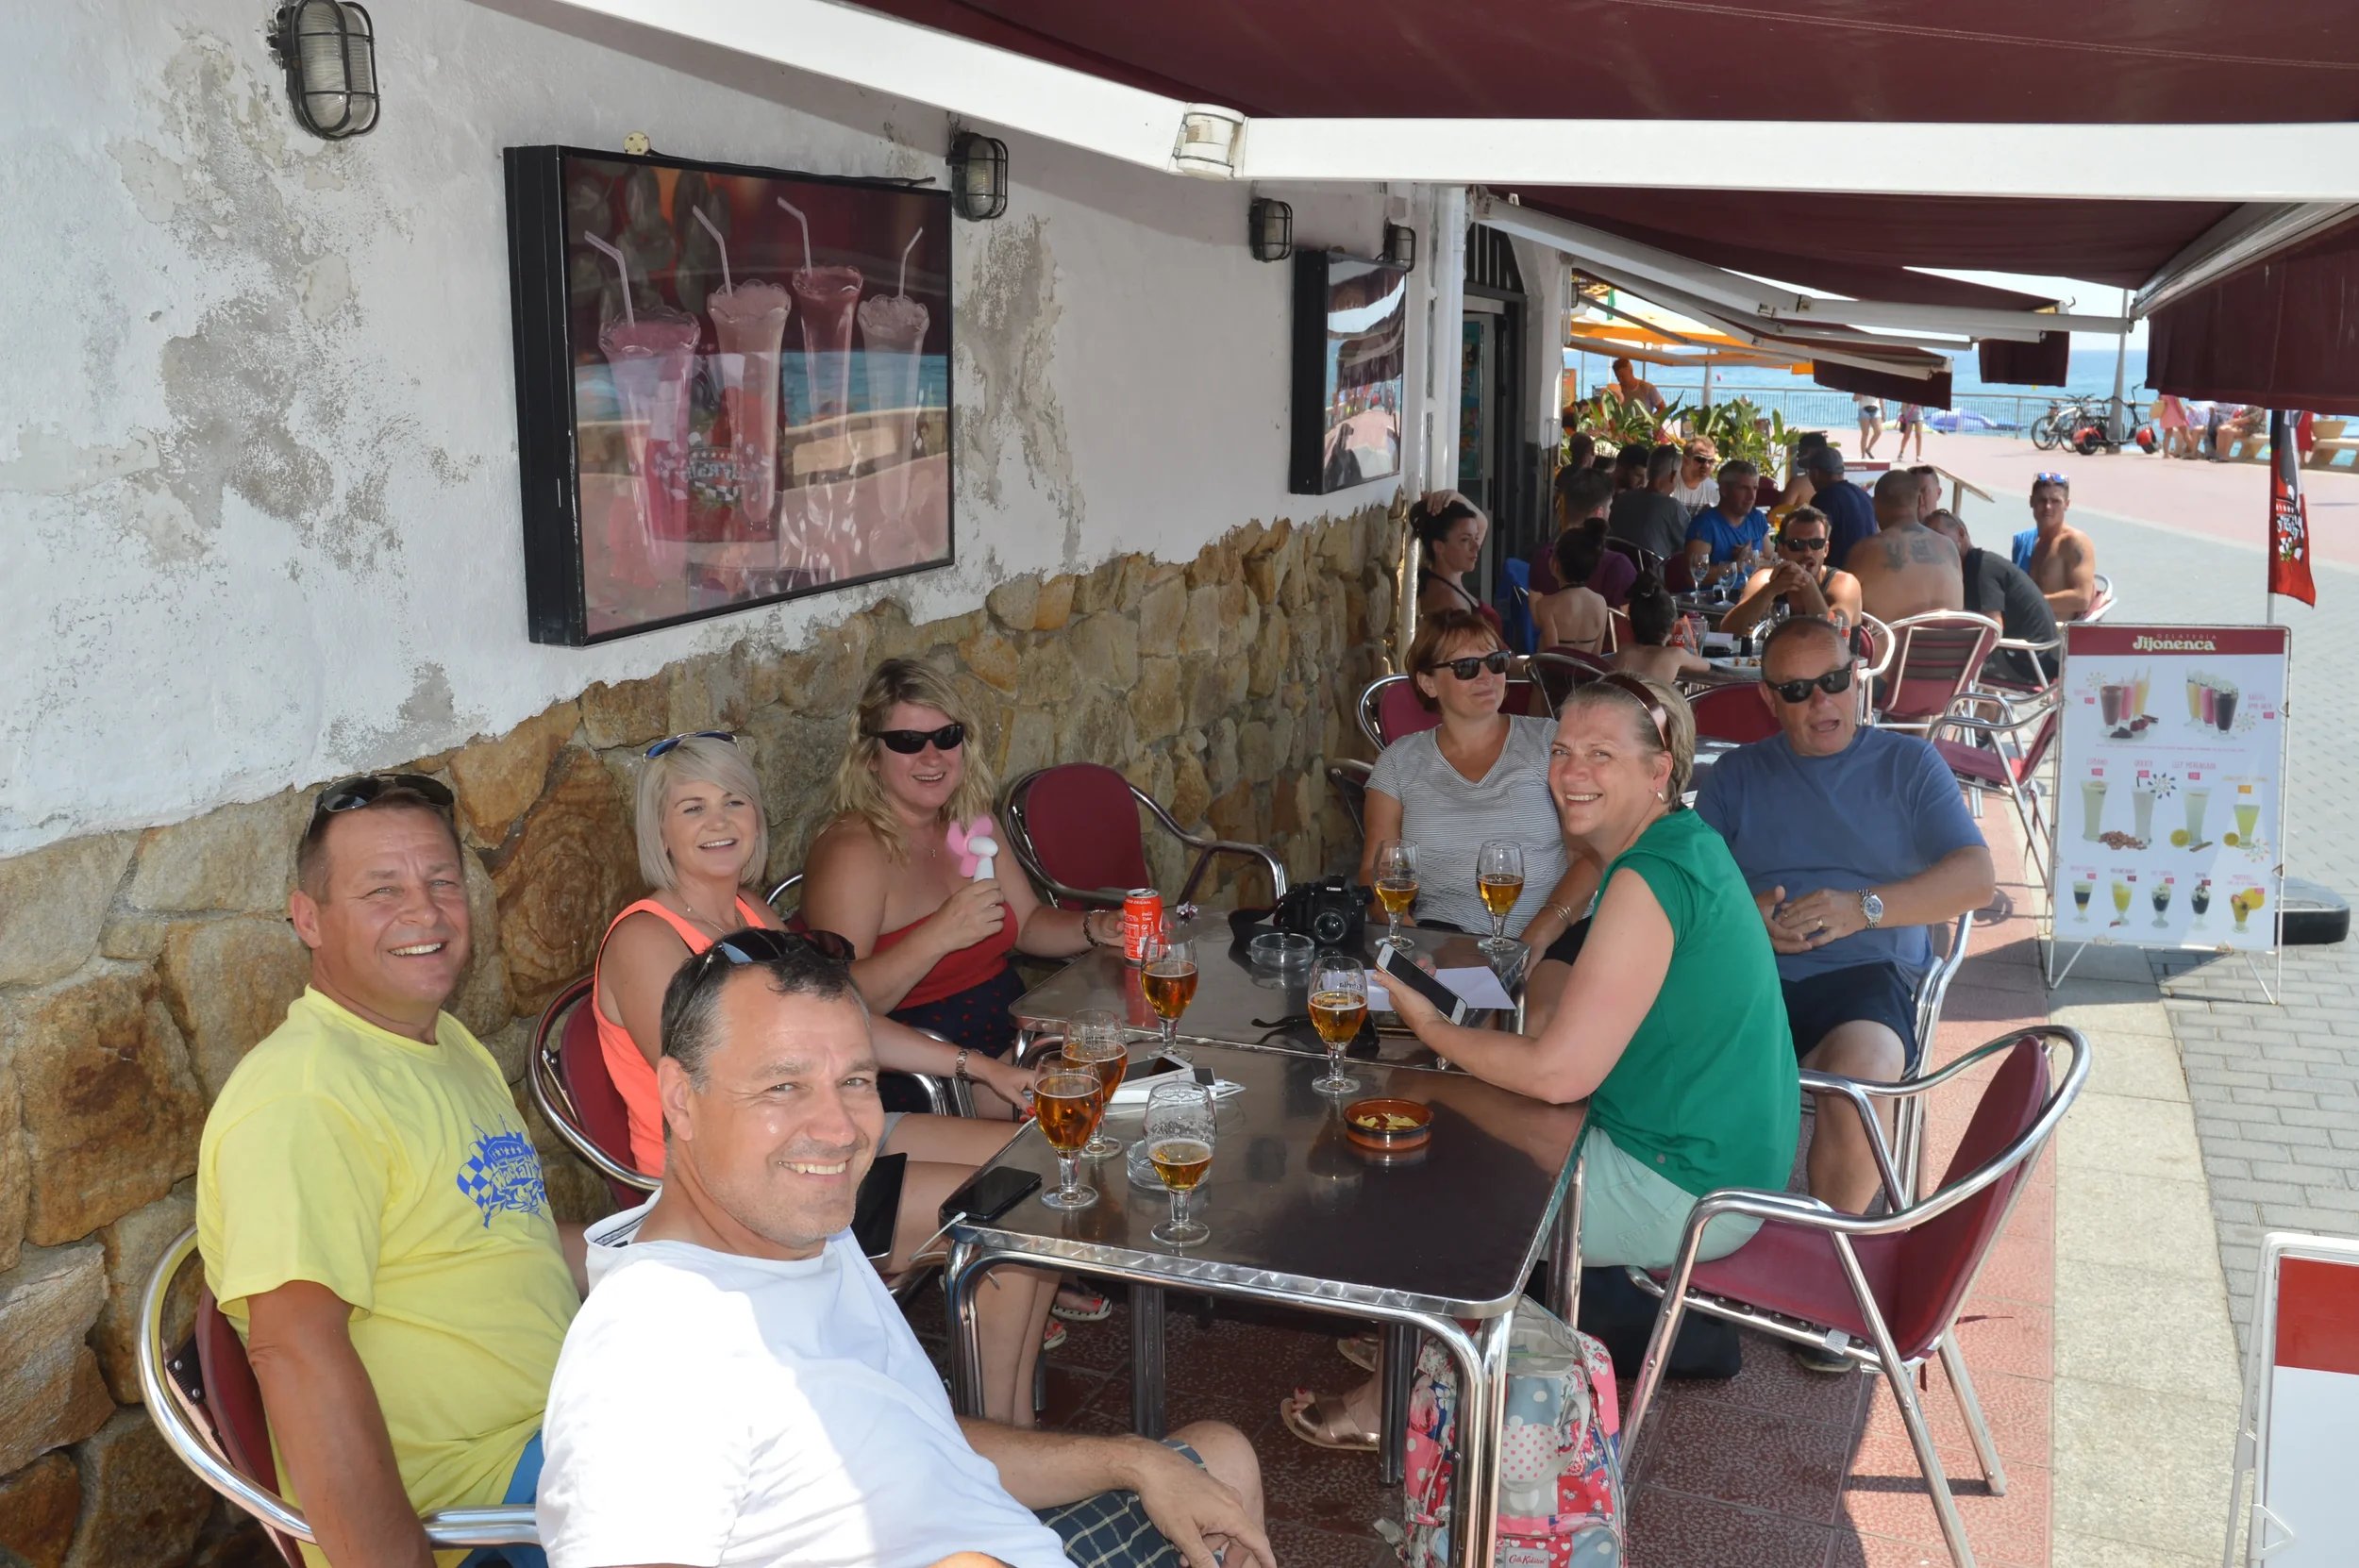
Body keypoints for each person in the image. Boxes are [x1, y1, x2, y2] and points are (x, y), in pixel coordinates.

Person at [538, 931, 1274, 1568]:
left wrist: (1130, 1460)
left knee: (1221, 1459)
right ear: (679, 1099)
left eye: (854, 1081)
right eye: (783, 1086)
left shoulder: (797, 1238)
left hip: (1004, 1535)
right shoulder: (655, 1344)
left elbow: (919, 1434)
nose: (839, 1128)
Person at [1283, 675, 1799, 1447]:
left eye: (1601, 754)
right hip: (1704, 1146)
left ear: (1658, 772)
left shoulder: (1648, 878)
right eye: (1561, 751)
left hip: (1684, 1183)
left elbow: (1561, 1074)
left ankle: (1400, 1393)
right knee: (1442, 1095)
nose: (1572, 772)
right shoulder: (1679, 844)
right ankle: (1426, 1335)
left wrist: (1431, 1021)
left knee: (1432, 1152)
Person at [594, 731, 1058, 1426]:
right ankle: (998, 1453)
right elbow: (719, 1100)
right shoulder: (647, 940)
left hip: (815, 1135)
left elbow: (847, 1024)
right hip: (736, 1188)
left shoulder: (751, 915)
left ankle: (1013, 1430)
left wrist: (983, 1067)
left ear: (757, 816)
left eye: (734, 802)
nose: (718, 823)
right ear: (658, 829)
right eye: (692, 809)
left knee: (1038, 1174)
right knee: (1001, 1220)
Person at [196, 775, 583, 1568]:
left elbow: (507, 1242)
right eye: (383, 890)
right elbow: (295, 1353)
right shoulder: (305, 1099)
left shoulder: (442, 1045)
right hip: (482, 1507)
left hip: (566, 1426)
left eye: (442, 882)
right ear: (310, 920)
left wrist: (669, 1250)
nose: (425, 911)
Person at [1696, 617, 1996, 1225]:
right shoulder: (1734, 776)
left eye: (1833, 679)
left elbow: (1977, 879)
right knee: (1655, 1045)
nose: (1822, 700)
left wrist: (1864, 908)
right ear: (1769, 698)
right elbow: (1691, 892)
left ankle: (1824, 1258)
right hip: (1750, 973)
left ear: (1856, 676)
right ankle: (1688, 1245)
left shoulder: (1908, 765)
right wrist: (1746, 922)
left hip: (1867, 976)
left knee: (1861, 1077)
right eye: (1797, 689)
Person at [803, 659, 1122, 1059]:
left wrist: (1099, 926)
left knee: (1146, 1064)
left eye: (947, 736)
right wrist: (941, 933)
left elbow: (1026, 925)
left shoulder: (971, 818)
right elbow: (838, 1002)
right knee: (1097, 1096)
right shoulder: (853, 852)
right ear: (870, 756)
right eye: (907, 741)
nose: (932, 757)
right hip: (927, 1065)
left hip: (1012, 1032)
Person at [1364, 611, 1597, 961]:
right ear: (1428, 683)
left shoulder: (1549, 743)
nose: (1487, 677)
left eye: (1496, 662)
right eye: (1467, 667)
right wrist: (1406, 936)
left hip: (1557, 931)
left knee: (1546, 1013)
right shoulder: (1399, 762)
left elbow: (1592, 854)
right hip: (1447, 937)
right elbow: (1373, 870)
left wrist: (1537, 937)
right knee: (1472, 1004)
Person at [1925, 509, 2059, 686]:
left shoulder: (1982, 569)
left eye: (1939, 536)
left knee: (1936, 662)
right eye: (1929, 541)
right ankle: (1983, 709)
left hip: (2029, 664)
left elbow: (1993, 629)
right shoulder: (1973, 566)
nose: (1935, 544)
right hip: (2036, 658)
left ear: (1960, 534)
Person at [1844, 468, 1964, 625]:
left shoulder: (1865, 551)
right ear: (1921, 501)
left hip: (1894, 648)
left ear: (1874, 505)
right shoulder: (1949, 547)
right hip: (1953, 647)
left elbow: (1844, 609)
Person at [1720, 507, 1863, 636]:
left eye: (1816, 544)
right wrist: (1770, 590)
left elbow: (1834, 638)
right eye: (1797, 544)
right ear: (1781, 549)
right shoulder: (1765, 579)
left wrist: (1807, 584)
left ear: (1825, 549)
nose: (1808, 552)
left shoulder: (1844, 583)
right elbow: (1727, 631)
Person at [1411, 492, 1499, 627]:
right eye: (1465, 540)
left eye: (1476, 538)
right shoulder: (1450, 602)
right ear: (1439, 547)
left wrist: (1454, 496)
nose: (1476, 546)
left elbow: (1482, 523)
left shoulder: (1448, 576)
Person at [1611, 574, 1713, 684]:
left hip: (1619, 700)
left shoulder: (1624, 651)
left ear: (1631, 624)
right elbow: (1706, 666)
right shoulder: (1675, 655)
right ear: (1674, 627)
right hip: (1654, 701)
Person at [2022, 472, 2098, 620]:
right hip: (2030, 629)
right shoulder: (2032, 542)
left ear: (2067, 504)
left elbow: (2082, 598)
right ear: (2031, 502)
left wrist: (2030, 603)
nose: (2048, 507)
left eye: (2055, 501)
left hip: (2055, 637)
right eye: (2042, 500)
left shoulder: (2073, 541)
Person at [1682, 459, 1769, 587]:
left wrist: (1757, 562)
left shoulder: (1757, 518)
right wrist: (1738, 566)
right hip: (1712, 602)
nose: (1751, 497)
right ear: (1724, 490)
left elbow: (1769, 559)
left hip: (1750, 598)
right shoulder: (1705, 524)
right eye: (1743, 488)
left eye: (1754, 488)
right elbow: (1692, 576)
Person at [1528, 461, 1608, 596]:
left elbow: (1536, 611)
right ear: (1599, 513)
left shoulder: (1543, 558)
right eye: (1609, 507)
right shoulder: (1617, 565)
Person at [1533, 525, 1612, 652]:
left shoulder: (1546, 605)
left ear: (1555, 564)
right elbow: (1596, 656)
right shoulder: (1601, 603)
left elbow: (1551, 657)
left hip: (1552, 671)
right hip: (1588, 671)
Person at [1605, 443, 1689, 563]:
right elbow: (1691, 548)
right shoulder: (1674, 509)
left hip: (1617, 571)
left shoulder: (1621, 499)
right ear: (1673, 475)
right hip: (1653, 578)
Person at [1799, 443, 1876, 568]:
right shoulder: (1863, 495)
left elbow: (1814, 543)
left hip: (1838, 575)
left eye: (1809, 471)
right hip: (1868, 571)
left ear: (1816, 473)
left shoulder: (1824, 498)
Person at [1668, 437, 1720, 516]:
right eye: (1700, 460)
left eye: (1711, 461)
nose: (1706, 465)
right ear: (1685, 460)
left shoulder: (1713, 490)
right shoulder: (1669, 484)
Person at [1855, 394, 1885, 459]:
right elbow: (1854, 399)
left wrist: (1883, 412)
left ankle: (1868, 449)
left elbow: (1881, 399)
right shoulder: (1861, 386)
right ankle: (1863, 456)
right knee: (1865, 433)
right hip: (1864, 409)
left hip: (1876, 409)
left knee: (1878, 431)